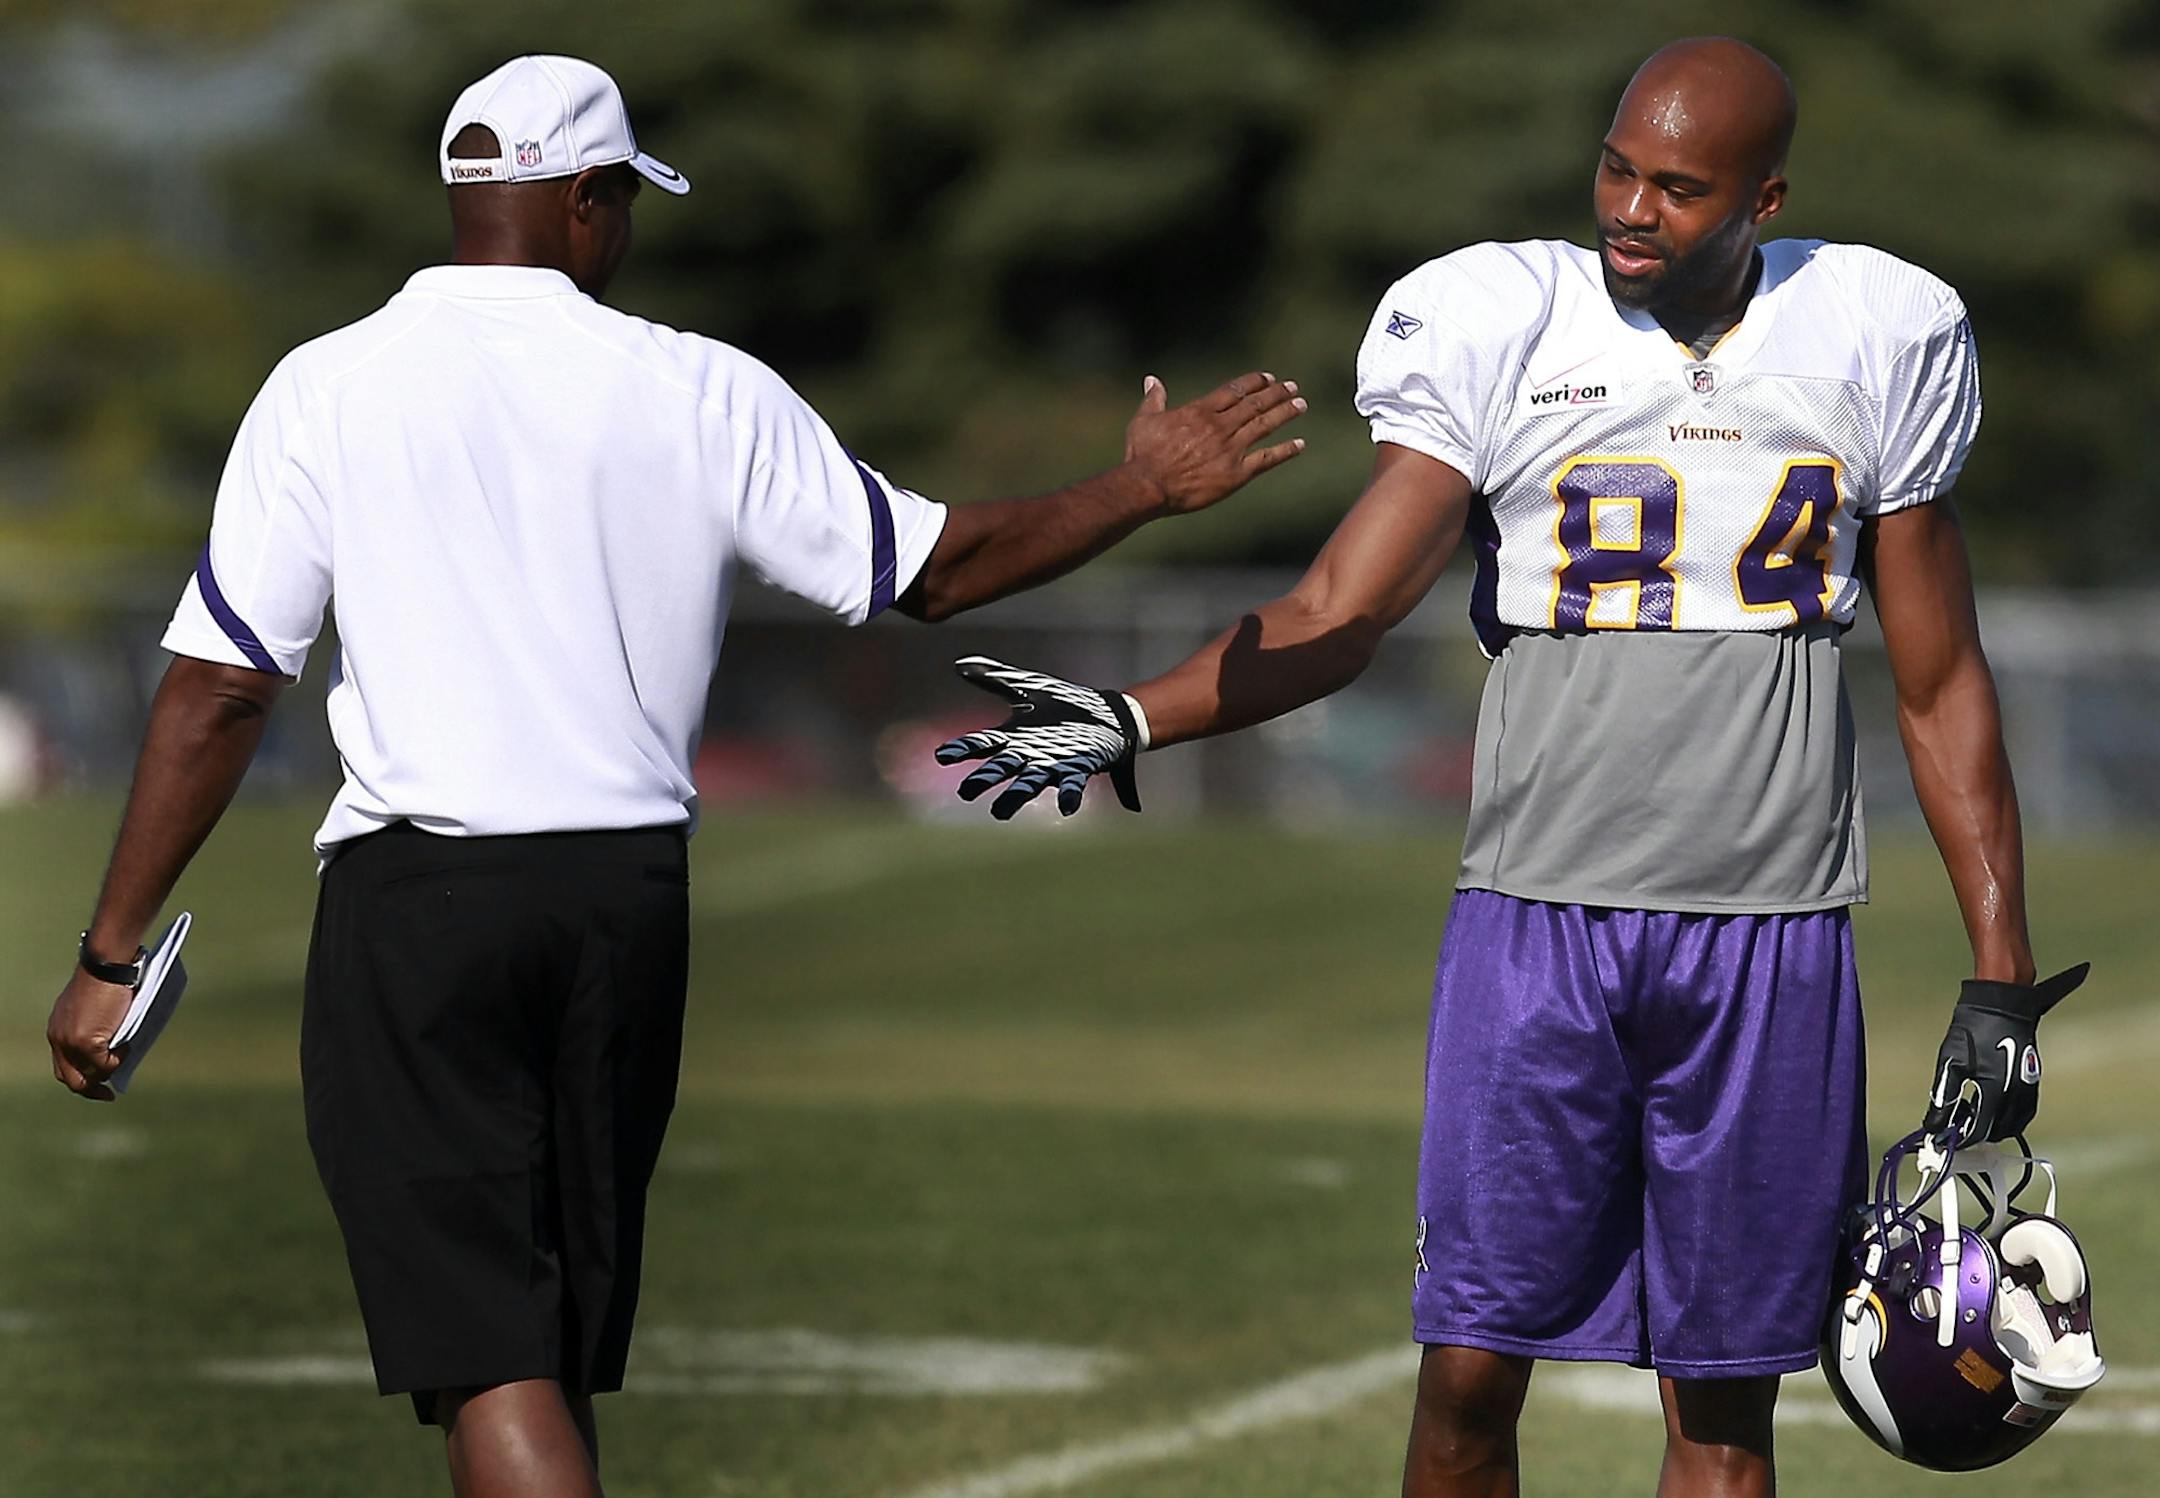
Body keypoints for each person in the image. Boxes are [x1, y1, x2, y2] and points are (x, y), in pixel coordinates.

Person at [41, 53, 1304, 1498]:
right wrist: (1139, 484)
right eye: (622, 200)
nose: (625, 227)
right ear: (584, 199)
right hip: (625, 897)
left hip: (424, 896)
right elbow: (940, 570)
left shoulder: (324, 385)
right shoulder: (697, 385)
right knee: (547, 1346)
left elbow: (219, 689)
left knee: (489, 1354)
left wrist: (111, 949)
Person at [935, 36, 2086, 1498]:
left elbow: (1939, 681)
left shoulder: (1877, 334)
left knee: (1725, 1413)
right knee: (1471, 1371)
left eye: (1678, 187)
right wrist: (1131, 717)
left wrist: (2001, 972)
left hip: (1773, 934)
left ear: (1765, 201)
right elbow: (1334, 612)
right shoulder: (1504, 320)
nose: (1631, 207)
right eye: (1618, 167)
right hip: (1538, 922)